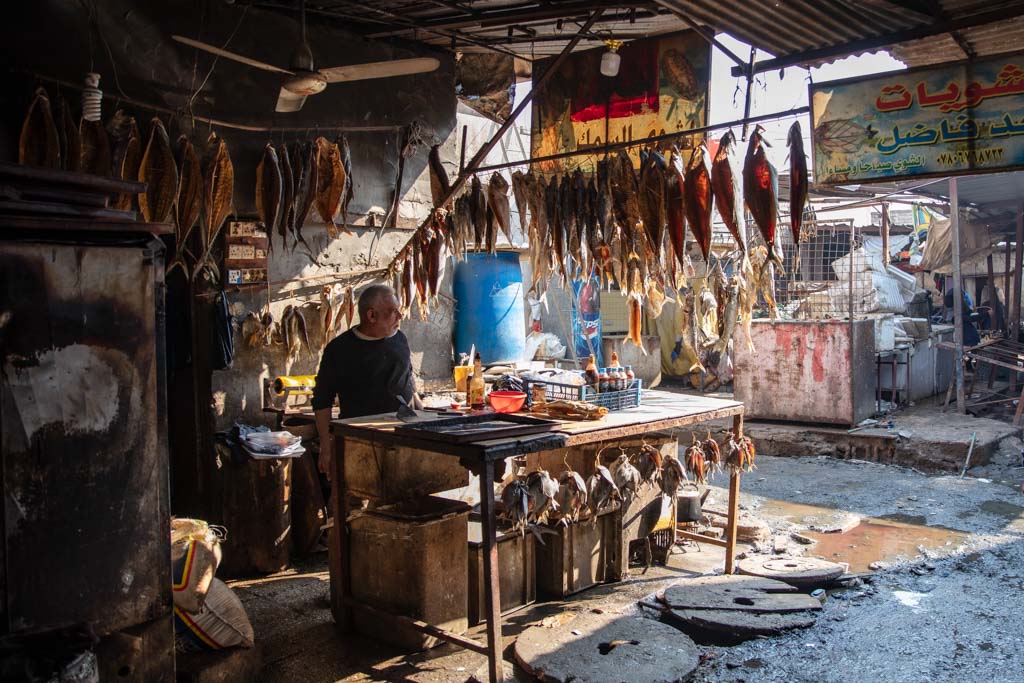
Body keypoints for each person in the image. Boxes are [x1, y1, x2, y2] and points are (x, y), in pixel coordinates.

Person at [312, 284, 420, 480]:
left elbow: (408, 377)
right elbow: (322, 401)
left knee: (400, 501)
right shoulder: (339, 350)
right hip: (358, 440)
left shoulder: (400, 339)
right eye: (393, 312)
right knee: (354, 501)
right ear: (371, 316)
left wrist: (422, 412)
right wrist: (326, 448)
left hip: (401, 436)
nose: (399, 317)